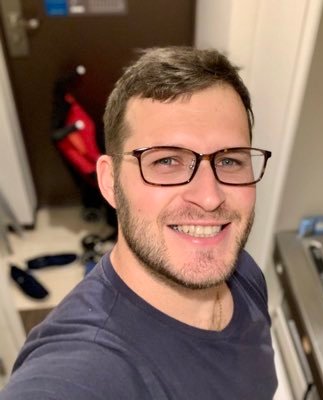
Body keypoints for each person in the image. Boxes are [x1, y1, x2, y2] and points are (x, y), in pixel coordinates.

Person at [0, 47, 277, 399]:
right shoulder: (83, 370)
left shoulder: (243, 272)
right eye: (166, 161)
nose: (210, 198)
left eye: (229, 161)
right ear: (109, 182)